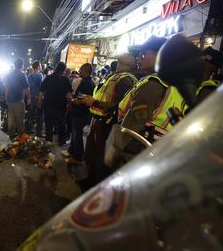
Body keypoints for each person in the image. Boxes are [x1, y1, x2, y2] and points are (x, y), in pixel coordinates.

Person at [105, 36, 188, 169]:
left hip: (138, 149)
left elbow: (133, 124)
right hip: (162, 150)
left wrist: (113, 152)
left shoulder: (152, 84)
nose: (139, 57)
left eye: (143, 54)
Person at [80, 53, 137, 188]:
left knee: (100, 157)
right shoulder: (116, 76)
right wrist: (92, 100)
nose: (117, 64)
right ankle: (90, 180)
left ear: (128, 65)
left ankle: (95, 187)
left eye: (120, 62)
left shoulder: (126, 80)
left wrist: (95, 102)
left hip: (106, 123)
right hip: (98, 119)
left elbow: (118, 105)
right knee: (92, 154)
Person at [38, 62, 72, 145]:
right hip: (61, 107)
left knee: (48, 124)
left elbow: (41, 92)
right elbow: (69, 95)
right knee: (61, 124)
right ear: (64, 70)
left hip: (48, 105)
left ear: (56, 68)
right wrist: (69, 104)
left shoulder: (48, 78)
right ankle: (62, 141)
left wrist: (39, 102)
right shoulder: (66, 80)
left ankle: (49, 141)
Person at [4, 59, 31, 139]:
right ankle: (21, 136)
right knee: (20, 119)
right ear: (22, 65)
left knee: (11, 118)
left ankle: (11, 134)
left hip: (10, 100)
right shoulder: (22, 75)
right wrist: (29, 98)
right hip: (19, 100)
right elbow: (26, 88)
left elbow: (6, 88)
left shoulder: (9, 75)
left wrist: (6, 98)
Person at [26, 61, 44, 136]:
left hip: (31, 97)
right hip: (37, 97)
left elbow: (27, 87)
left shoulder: (29, 76)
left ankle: (28, 129)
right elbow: (42, 87)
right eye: (40, 65)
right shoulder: (40, 75)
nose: (41, 67)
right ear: (38, 67)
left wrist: (28, 98)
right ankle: (38, 132)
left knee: (30, 114)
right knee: (39, 115)